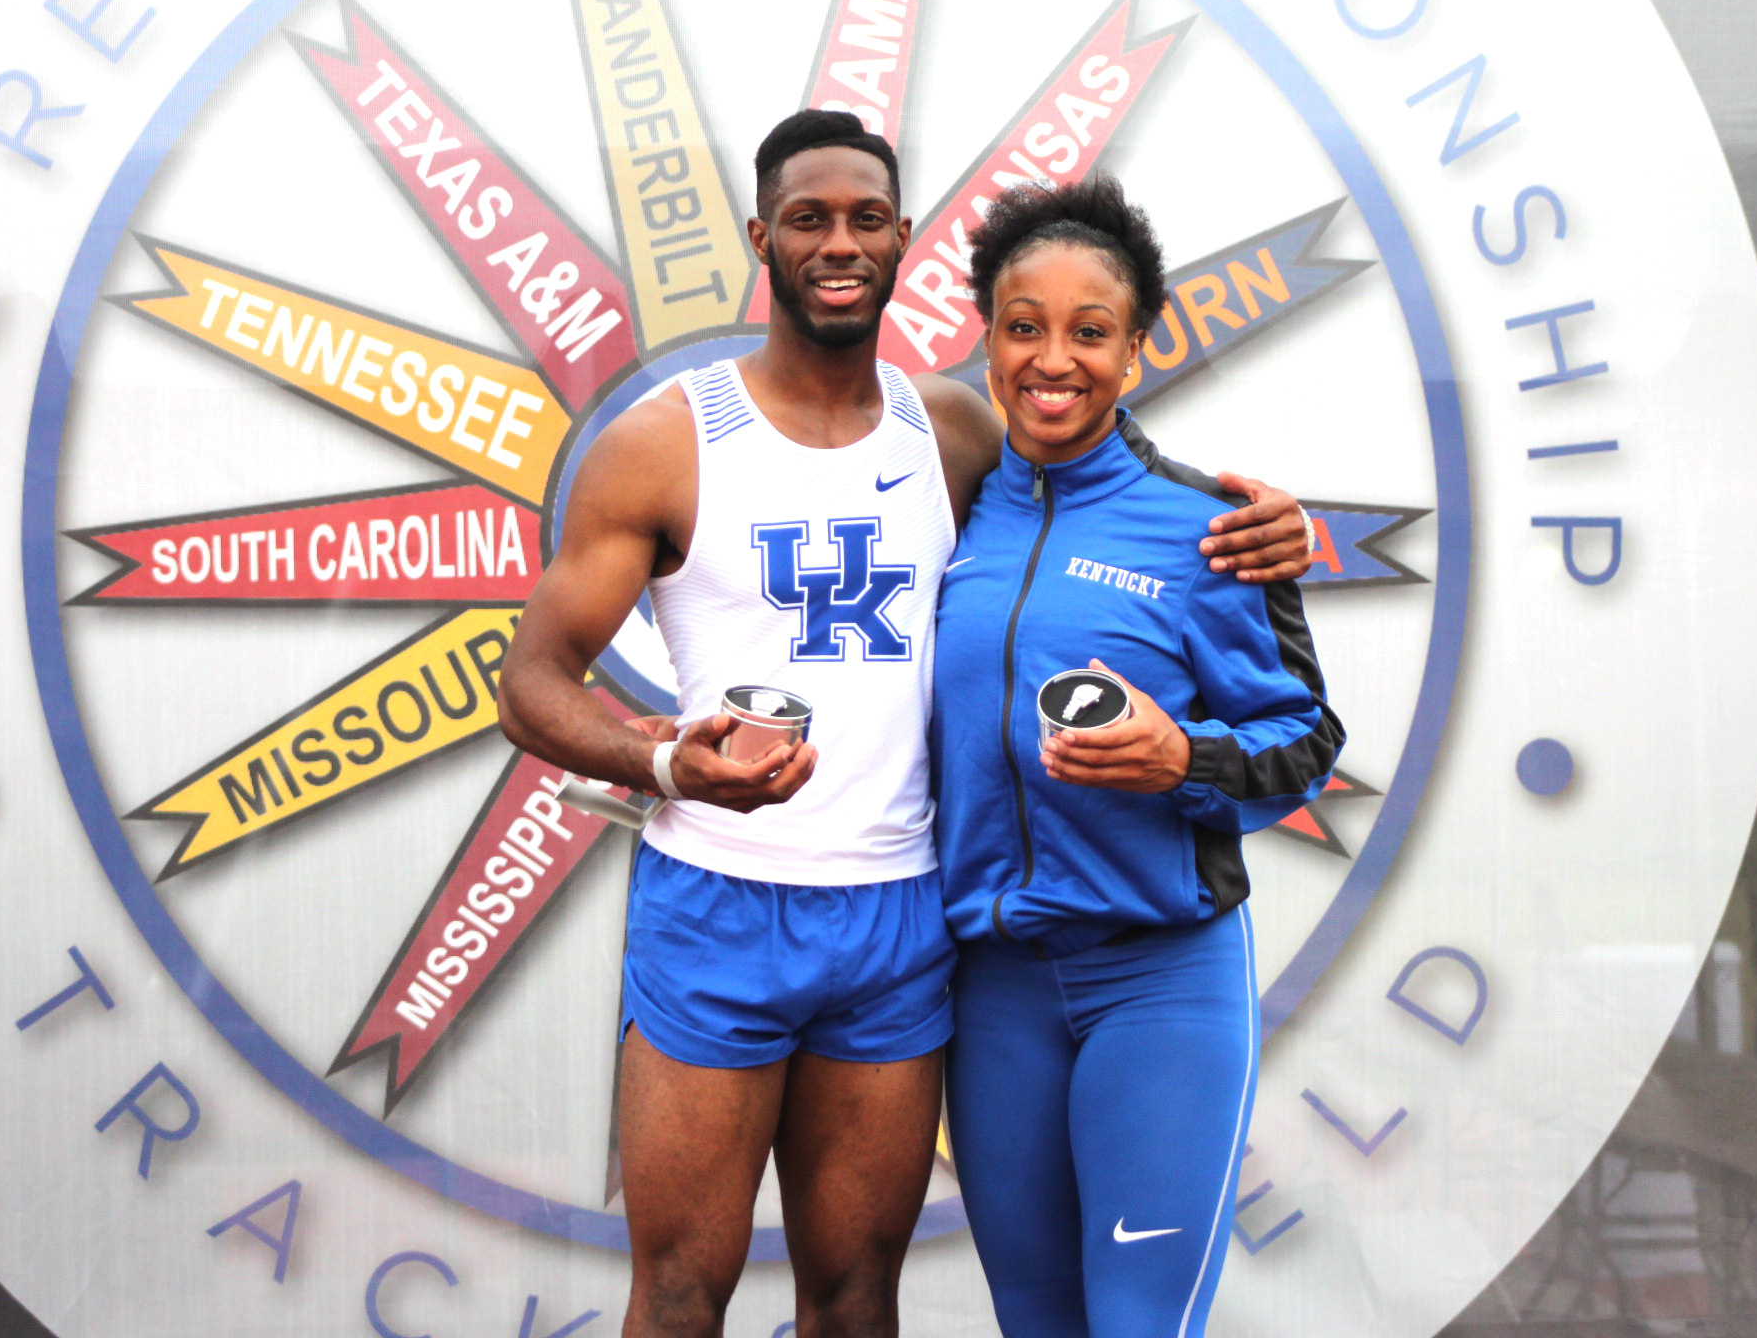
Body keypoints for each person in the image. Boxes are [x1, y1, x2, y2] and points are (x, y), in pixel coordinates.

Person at [495, 110, 1313, 1338]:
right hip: (721, 895)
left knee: (856, 1293)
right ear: (761, 235)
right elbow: (532, 680)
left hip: (901, 909)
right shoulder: (666, 440)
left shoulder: (956, 431)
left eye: (867, 219)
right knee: (676, 1292)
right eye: (810, 218)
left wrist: (1270, 528)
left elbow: (1103, 482)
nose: (839, 242)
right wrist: (666, 759)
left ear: (902, 241)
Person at [932, 175, 1344, 1338]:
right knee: (1039, 1325)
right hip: (995, 989)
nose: (1052, 358)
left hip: (1158, 980)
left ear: (1138, 344)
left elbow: (1306, 740)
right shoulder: (948, 513)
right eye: (1023, 326)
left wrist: (1185, 756)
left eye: (1089, 330)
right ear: (988, 335)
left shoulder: (1208, 525)